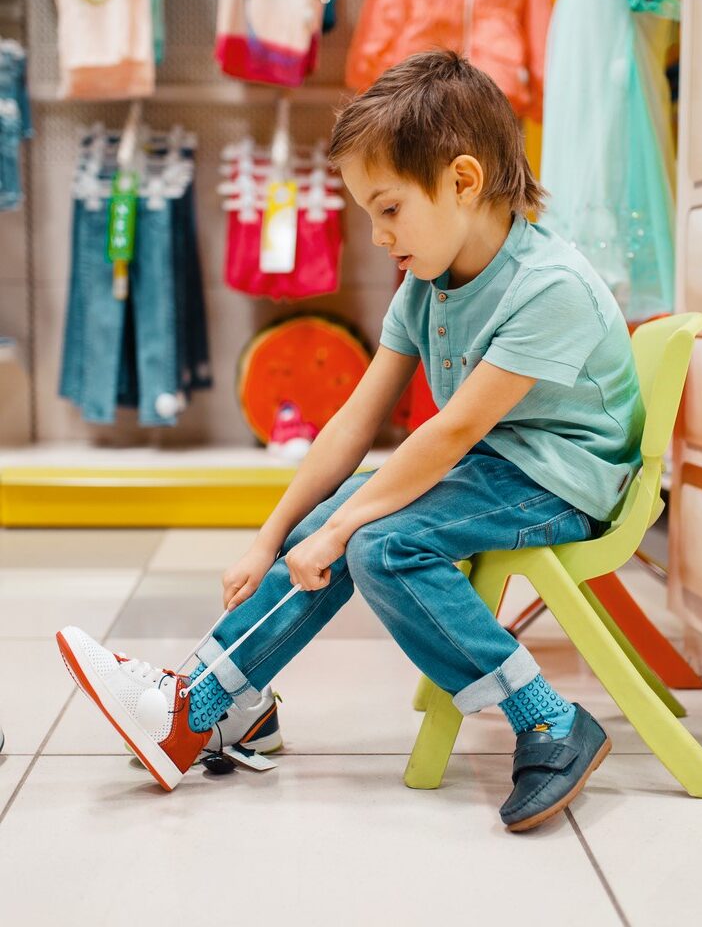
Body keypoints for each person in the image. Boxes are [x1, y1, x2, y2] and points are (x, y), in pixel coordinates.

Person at [57, 50, 644, 832]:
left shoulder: (550, 287)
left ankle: (549, 720)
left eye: (389, 209)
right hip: (503, 462)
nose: (375, 236)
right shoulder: (428, 284)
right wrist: (270, 539)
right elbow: (353, 421)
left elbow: (457, 427)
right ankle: (217, 707)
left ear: (464, 182)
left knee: (375, 543)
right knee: (339, 519)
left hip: (565, 478)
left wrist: (340, 526)